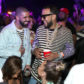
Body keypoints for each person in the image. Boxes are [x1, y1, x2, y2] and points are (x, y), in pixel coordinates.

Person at [29, 5, 75, 84]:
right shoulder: (40, 29)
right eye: (41, 16)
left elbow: (71, 50)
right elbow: (34, 45)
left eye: (44, 16)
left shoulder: (66, 32)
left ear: (53, 16)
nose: (42, 19)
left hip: (53, 74)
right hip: (36, 73)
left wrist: (57, 55)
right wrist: (34, 50)